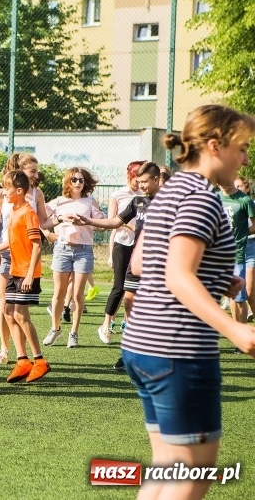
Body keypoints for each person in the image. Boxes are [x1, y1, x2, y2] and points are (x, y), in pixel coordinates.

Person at [122, 105, 255, 500]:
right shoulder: (203, 198)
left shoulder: (171, 190)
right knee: (193, 473)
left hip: (142, 345)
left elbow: (143, 262)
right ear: (215, 146)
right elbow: (178, 275)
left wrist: (217, 278)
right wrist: (235, 329)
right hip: (177, 349)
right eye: (242, 148)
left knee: (168, 467)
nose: (246, 159)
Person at [72, 163, 161, 358]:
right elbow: (115, 222)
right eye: (139, 182)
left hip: (159, 263)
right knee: (129, 301)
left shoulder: (169, 202)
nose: (141, 186)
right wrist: (88, 221)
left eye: (145, 182)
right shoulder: (138, 202)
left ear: (156, 180)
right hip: (137, 261)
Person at [0, 153, 49, 365]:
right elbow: (1, 229)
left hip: (24, 264)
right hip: (9, 258)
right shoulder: (11, 203)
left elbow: (38, 239)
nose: (36, 175)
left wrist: (60, 220)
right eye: (32, 170)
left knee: (20, 314)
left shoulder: (29, 206)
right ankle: (14, 353)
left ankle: (36, 358)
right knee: (7, 308)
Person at [42, 167, 105, 348]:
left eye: (81, 180)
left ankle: (74, 333)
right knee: (59, 293)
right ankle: (55, 329)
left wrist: (86, 221)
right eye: (74, 179)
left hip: (83, 250)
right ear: (67, 181)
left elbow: (102, 225)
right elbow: (41, 221)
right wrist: (58, 222)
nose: (78, 183)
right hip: (62, 249)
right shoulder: (58, 201)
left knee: (77, 294)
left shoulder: (90, 201)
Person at [96, 161, 144, 340]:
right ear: (130, 176)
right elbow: (112, 222)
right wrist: (132, 228)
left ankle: (129, 325)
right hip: (122, 244)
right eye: (137, 179)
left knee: (135, 288)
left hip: (139, 247)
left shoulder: (145, 196)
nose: (140, 183)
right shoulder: (118, 195)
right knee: (119, 287)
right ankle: (105, 325)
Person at [218, 175, 255, 327]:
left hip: (239, 252)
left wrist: (241, 234)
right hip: (219, 253)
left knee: (240, 296)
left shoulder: (245, 201)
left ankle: (243, 330)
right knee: (231, 295)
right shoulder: (215, 198)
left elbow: (254, 225)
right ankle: (236, 330)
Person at [234, 176, 255, 322]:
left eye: (240, 186)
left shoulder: (251, 203)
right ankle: (236, 326)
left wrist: (242, 232)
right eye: (235, 186)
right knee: (235, 293)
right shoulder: (230, 204)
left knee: (250, 291)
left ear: (246, 188)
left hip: (251, 246)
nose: (237, 189)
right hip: (236, 248)